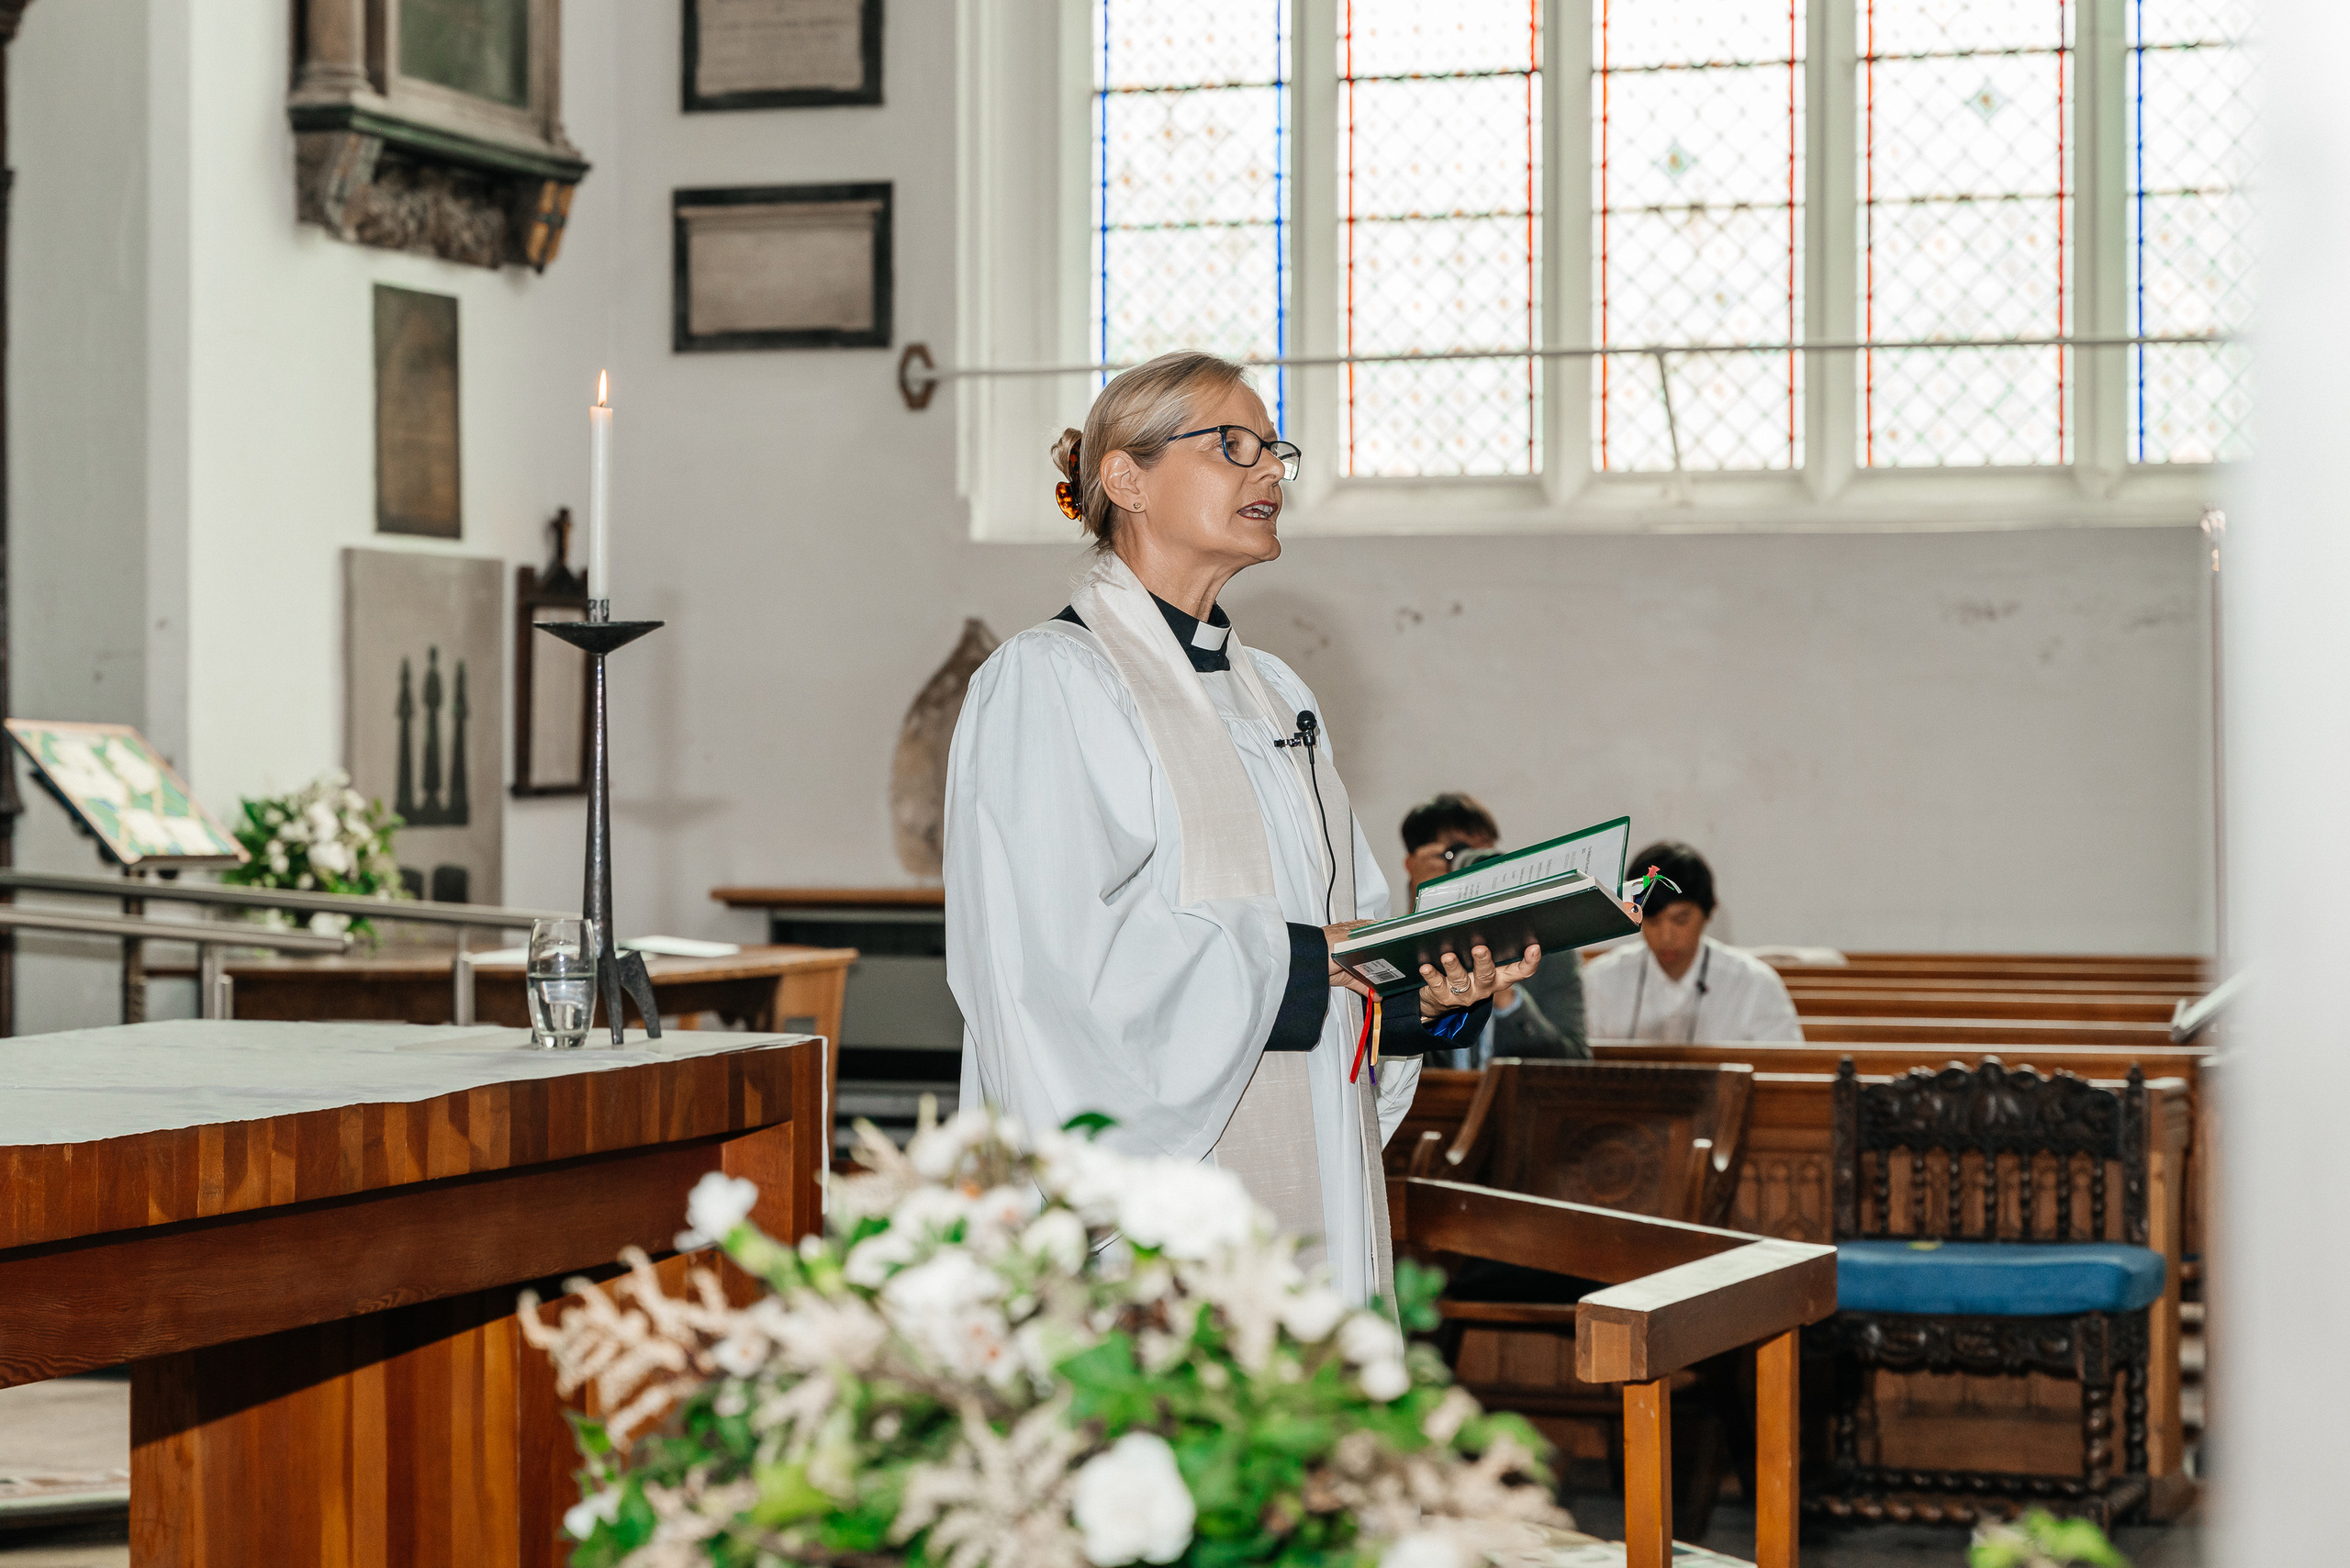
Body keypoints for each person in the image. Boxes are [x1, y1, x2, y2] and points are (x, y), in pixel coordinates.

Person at [946, 352, 1538, 1305]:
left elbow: (1351, 928)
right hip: (1163, 1200)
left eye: (1273, 451)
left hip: (1308, 1159)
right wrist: (1307, 962)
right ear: (1125, 477)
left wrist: (1429, 991)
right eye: (1231, 446)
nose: (1268, 472)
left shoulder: (1277, 694)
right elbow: (1049, 968)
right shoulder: (1050, 680)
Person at [1398, 793, 1588, 1069]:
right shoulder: (1398, 957)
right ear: (1413, 865)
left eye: (1483, 853)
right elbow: (1387, 1064)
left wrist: (1506, 997)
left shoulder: (1549, 950)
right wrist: (1421, 909)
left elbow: (1575, 1065)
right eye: (1458, 854)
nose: (1477, 866)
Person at [1581, 840, 1803, 1043]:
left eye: (1681, 919)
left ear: (1708, 911)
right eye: (1652, 920)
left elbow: (1785, 1070)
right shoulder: (1601, 980)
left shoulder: (1755, 985)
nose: (1666, 937)